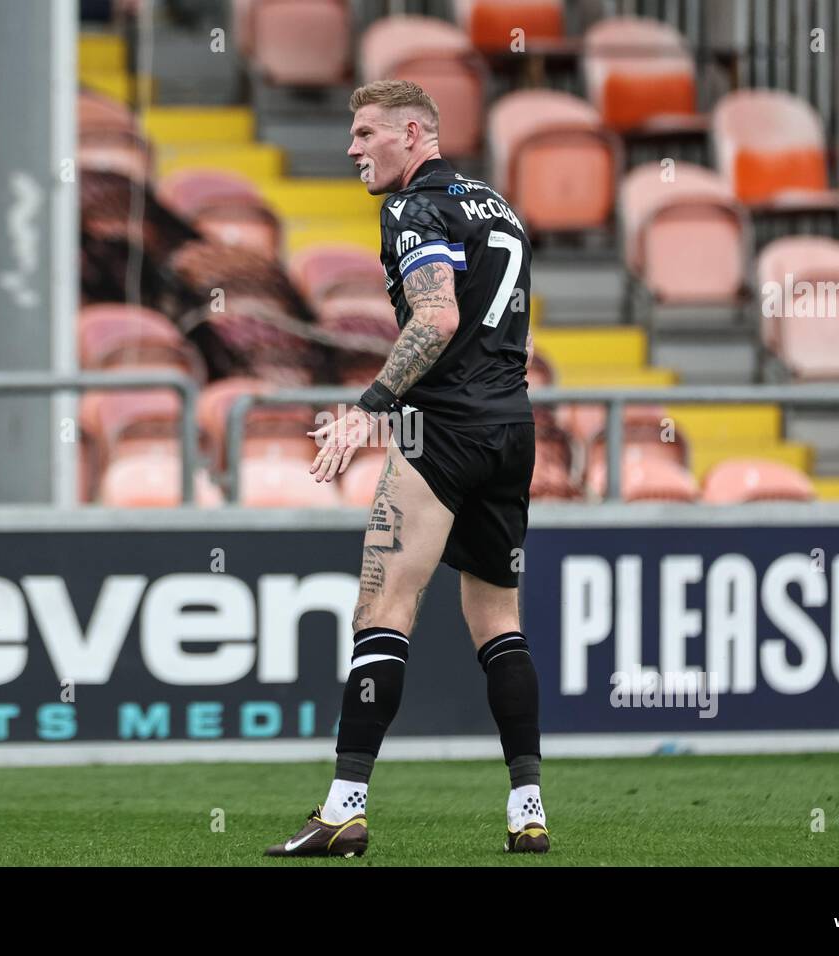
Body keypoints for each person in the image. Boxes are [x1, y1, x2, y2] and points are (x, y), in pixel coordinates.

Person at [264, 79, 546, 857]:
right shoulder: (494, 203)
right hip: (511, 425)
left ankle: (343, 810)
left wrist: (371, 406)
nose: (352, 149)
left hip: (441, 426)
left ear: (413, 133)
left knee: (383, 610)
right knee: (499, 622)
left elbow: (438, 315)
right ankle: (528, 811)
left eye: (365, 133)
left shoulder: (413, 208)